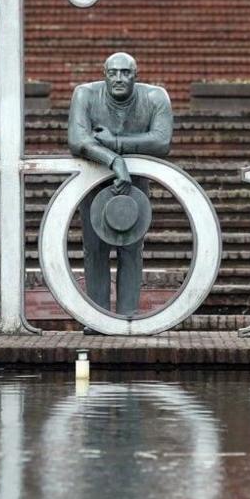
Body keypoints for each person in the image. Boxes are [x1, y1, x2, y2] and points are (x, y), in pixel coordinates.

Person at [67, 52, 173, 318]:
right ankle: (97, 317)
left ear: (136, 75)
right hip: (94, 184)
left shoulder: (155, 98)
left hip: (135, 186)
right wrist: (115, 160)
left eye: (125, 73)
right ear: (104, 74)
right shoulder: (86, 95)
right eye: (113, 72)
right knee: (94, 250)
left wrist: (115, 142)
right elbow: (78, 139)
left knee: (131, 250)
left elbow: (161, 142)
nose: (118, 78)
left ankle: (128, 315)